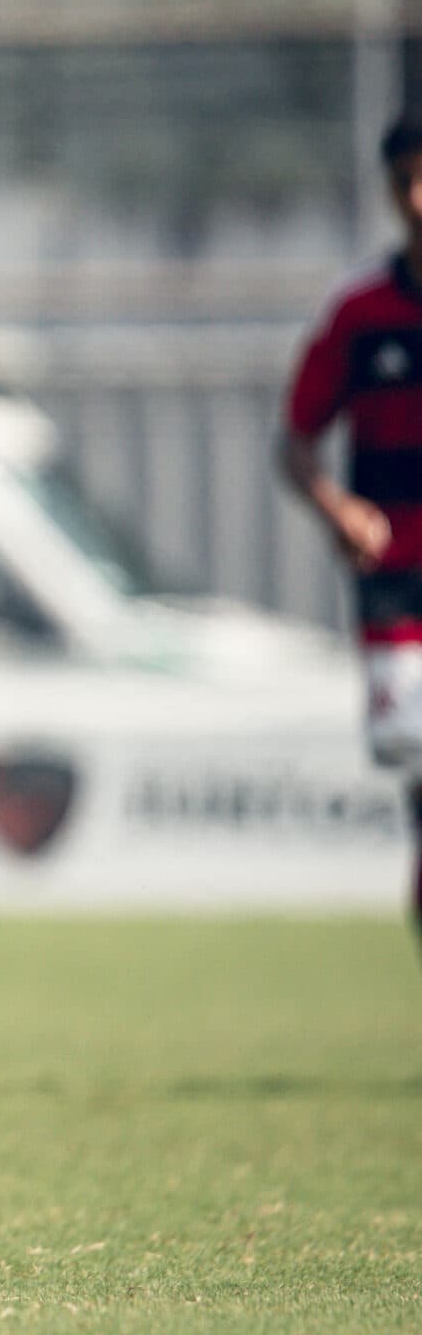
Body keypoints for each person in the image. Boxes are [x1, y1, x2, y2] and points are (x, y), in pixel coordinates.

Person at [282, 111, 422, 950]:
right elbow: (295, 442)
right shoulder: (361, 309)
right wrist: (340, 509)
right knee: (410, 747)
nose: (417, 196)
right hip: (395, 575)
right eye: (404, 178)